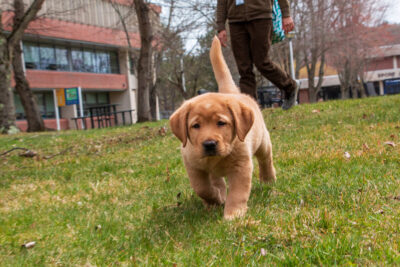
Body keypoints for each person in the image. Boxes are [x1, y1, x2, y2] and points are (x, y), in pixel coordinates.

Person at [216, 0, 299, 110]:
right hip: (235, 20)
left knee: (262, 62)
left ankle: (289, 86)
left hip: (261, 15)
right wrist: (221, 26)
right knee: (244, 68)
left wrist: (286, 15)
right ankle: (250, 110)